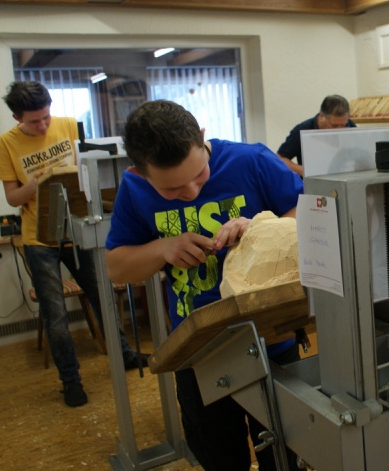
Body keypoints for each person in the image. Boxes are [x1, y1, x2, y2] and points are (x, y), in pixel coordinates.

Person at [105, 100, 304, 470]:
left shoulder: (252, 161)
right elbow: (117, 267)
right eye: (173, 190)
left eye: (199, 175)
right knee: (219, 457)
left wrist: (262, 226)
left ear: (201, 137)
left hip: (271, 339)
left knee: (285, 458)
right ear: (139, 172)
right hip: (198, 351)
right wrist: (162, 248)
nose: (192, 192)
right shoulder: (133, 188)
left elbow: (308, 212)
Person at [0, 81, 150, 408]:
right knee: (56, 314)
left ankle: (124, 354)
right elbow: (12, 198)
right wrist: (38, 181)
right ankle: (70, 380)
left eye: (46, 117)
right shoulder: (5, 144)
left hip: (76, 232)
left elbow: (88, 173)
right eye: (34, 121)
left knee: (103, 297)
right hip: (39, 239)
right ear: (17, 117)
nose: (43, 125)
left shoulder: (67, 126)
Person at [276, 94, 355, 176]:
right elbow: (280, 158)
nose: (339, 130)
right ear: (321, 116)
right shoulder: (302, 130)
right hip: (313, 181)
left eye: (343, 125)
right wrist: (306, 171)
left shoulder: (350, 125)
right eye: (334, 126)